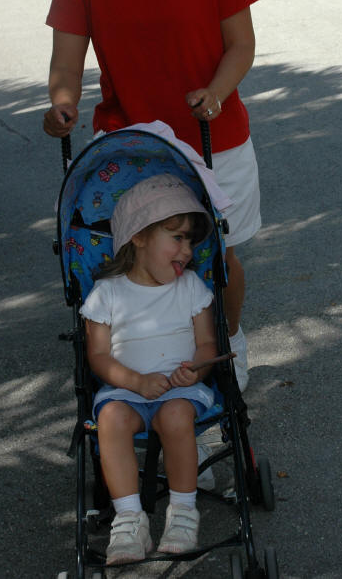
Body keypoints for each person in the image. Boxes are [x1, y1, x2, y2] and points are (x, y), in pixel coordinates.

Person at [43, 0, 263, 393]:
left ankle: (228, 348)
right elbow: (66, 62)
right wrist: (61, 105)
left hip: (214, 135)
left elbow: (241, 44)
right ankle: (154, 369)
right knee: (144, 268)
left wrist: (215, 93)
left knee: (218, 258)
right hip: (132, 150)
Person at [81, 173, 218, 564]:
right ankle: (129, 519)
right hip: (126, 388)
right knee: (110, 418)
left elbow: (207, 344)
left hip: (181, 389)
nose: (187, 250)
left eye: (190, 241)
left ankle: (183, 513)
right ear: (139, 237)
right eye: (177, 238)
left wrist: (196, 369)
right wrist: (136, 382)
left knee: (175, 415)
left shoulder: (190, 287)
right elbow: (98, 356)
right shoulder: (108, 292)